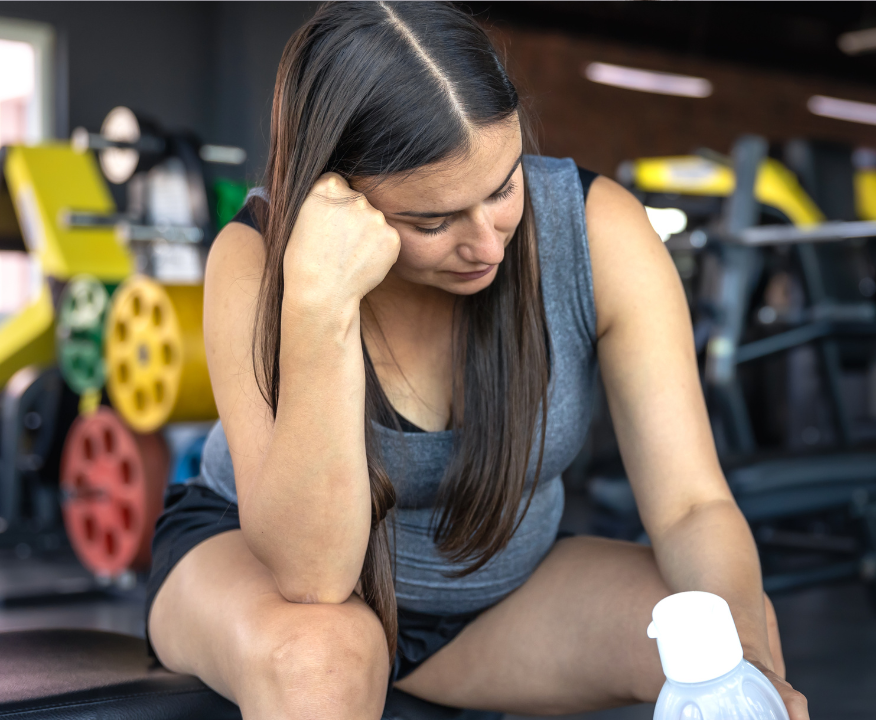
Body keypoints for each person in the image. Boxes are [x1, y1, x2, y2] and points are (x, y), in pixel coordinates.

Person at [145, 3, 808, 719]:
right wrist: (319, 306)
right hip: (264, 575)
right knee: (325, 657)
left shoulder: (600, 230)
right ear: (336, 193)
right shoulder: (256, 262)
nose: (487, 245)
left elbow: (690, 506)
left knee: (726, 638)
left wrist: (753, 672)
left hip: (499, 600)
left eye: (502, 188)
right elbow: (313, 577)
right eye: (432, 221)